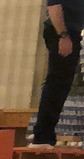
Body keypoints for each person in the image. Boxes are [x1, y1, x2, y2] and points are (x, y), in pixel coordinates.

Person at [32, 0, 83, 146]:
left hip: (71, 32)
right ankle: (42, 136)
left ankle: (45, 134)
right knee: (57, 84)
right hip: (62, 32)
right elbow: (54, 6)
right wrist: (63, 36)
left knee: (62, 85)